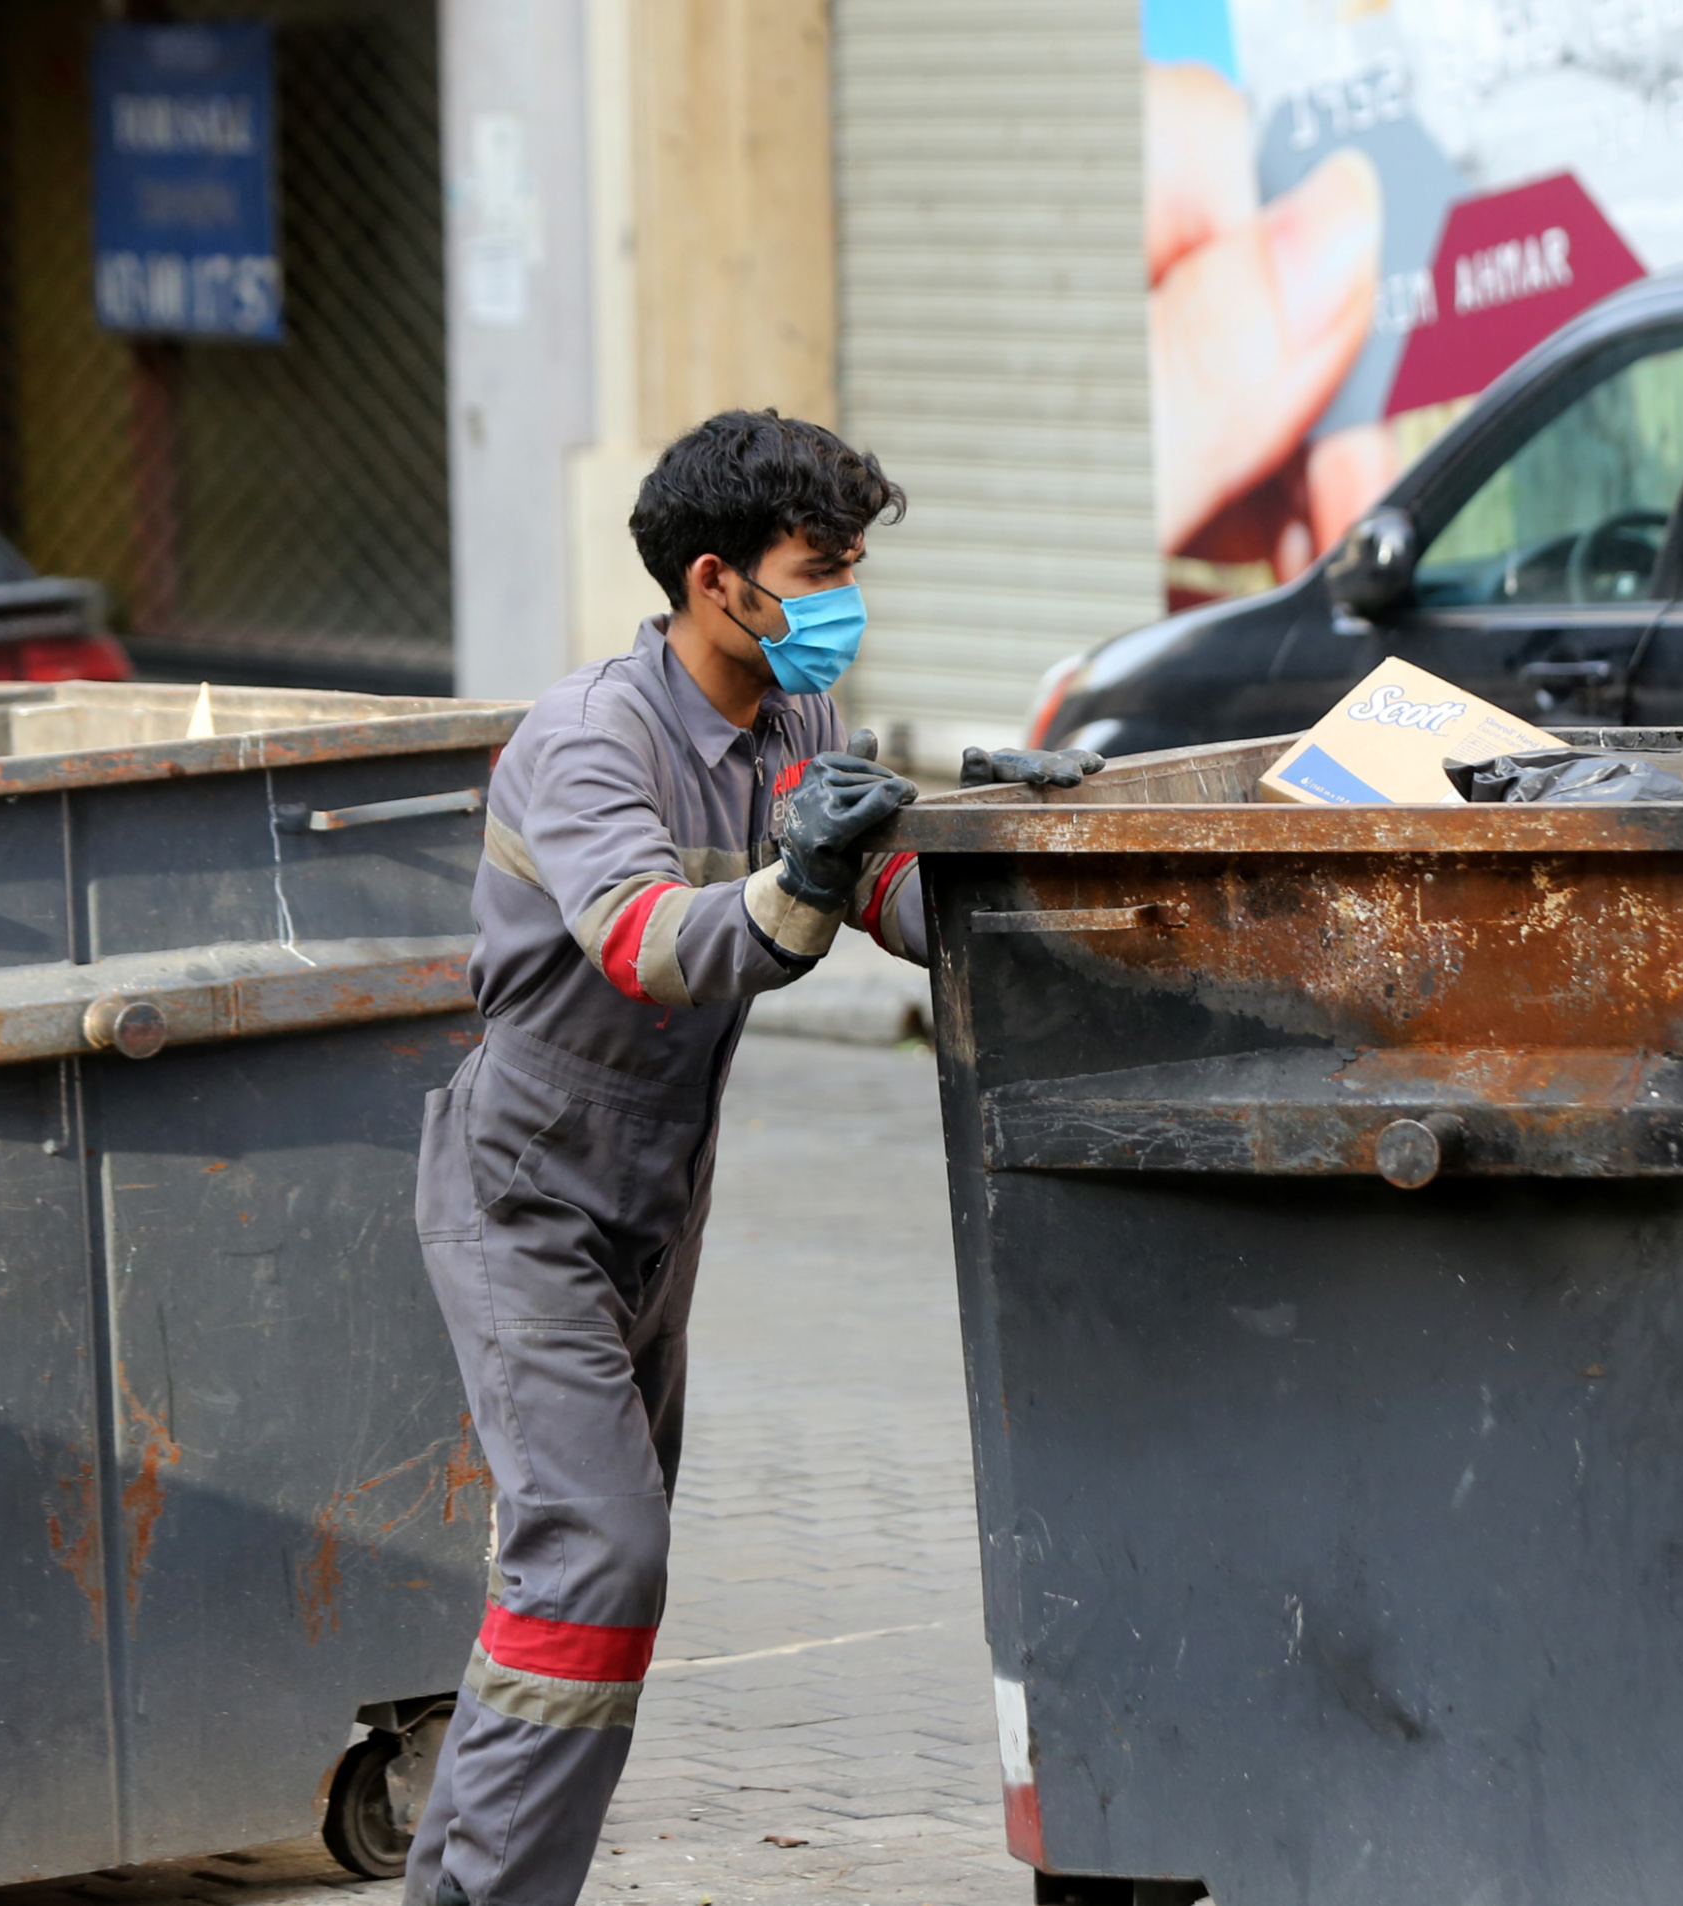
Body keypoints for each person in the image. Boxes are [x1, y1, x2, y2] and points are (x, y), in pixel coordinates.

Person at [404, 410, 1100, 1906]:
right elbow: (655, 944)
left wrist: (1017, 847)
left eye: (857, 566)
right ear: (718, 580)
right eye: (822, 569)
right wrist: (809, 876)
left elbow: (890, 897)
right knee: (599, 1555)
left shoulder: (799, 723)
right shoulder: (594, 738)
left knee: (569, 1576)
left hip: (656, 1198)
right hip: (523, 1188)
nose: (847, 599)